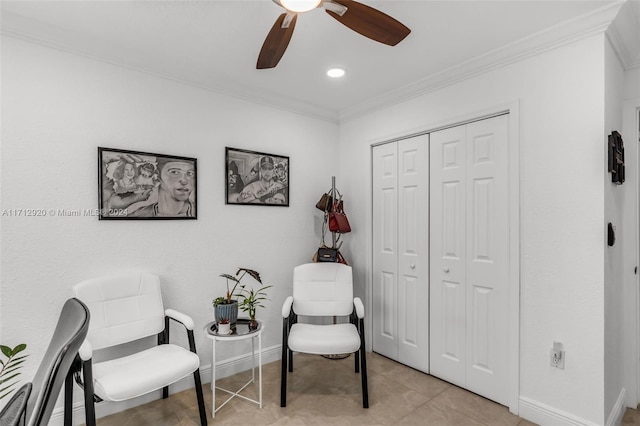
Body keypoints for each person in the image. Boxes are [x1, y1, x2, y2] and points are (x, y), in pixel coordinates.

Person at [129, 157, 196, 217]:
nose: (184, 181)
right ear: (158, 176)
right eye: (174, 172)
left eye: (190, 173)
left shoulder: (201, 213)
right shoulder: (138, 215)